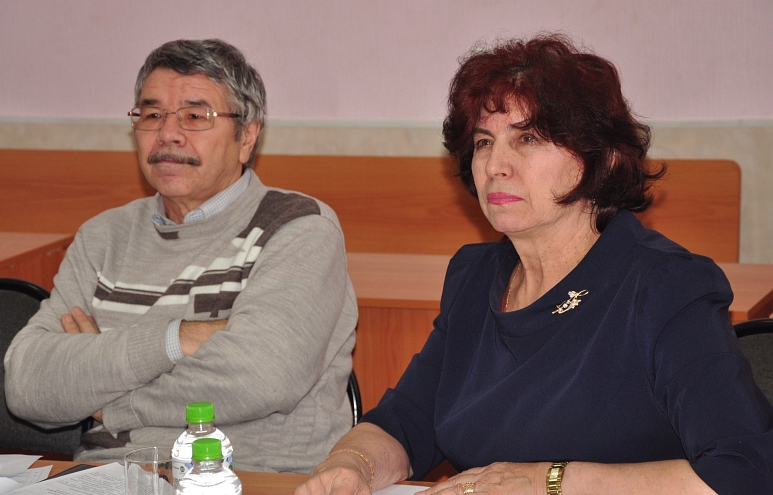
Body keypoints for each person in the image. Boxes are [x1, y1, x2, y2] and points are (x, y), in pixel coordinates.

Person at [295, 35, 773, 495]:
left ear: (602, 160)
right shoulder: (475, 276)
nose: (495, 165)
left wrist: (548, 482)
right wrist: (351, 465)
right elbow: (405, 422)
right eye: (484, 142)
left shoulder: (664, 286)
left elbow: (746, 472)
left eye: (527, 138)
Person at [4, 39, 357, 473]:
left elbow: (260, 379)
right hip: (105, 478)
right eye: (152, 115)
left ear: (246, 136)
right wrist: (177, 339)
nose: (168, 134)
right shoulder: (103, 236)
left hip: (251, 477)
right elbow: (26, 385)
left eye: (195, 116)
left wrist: (106, 399)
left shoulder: (298, 227)